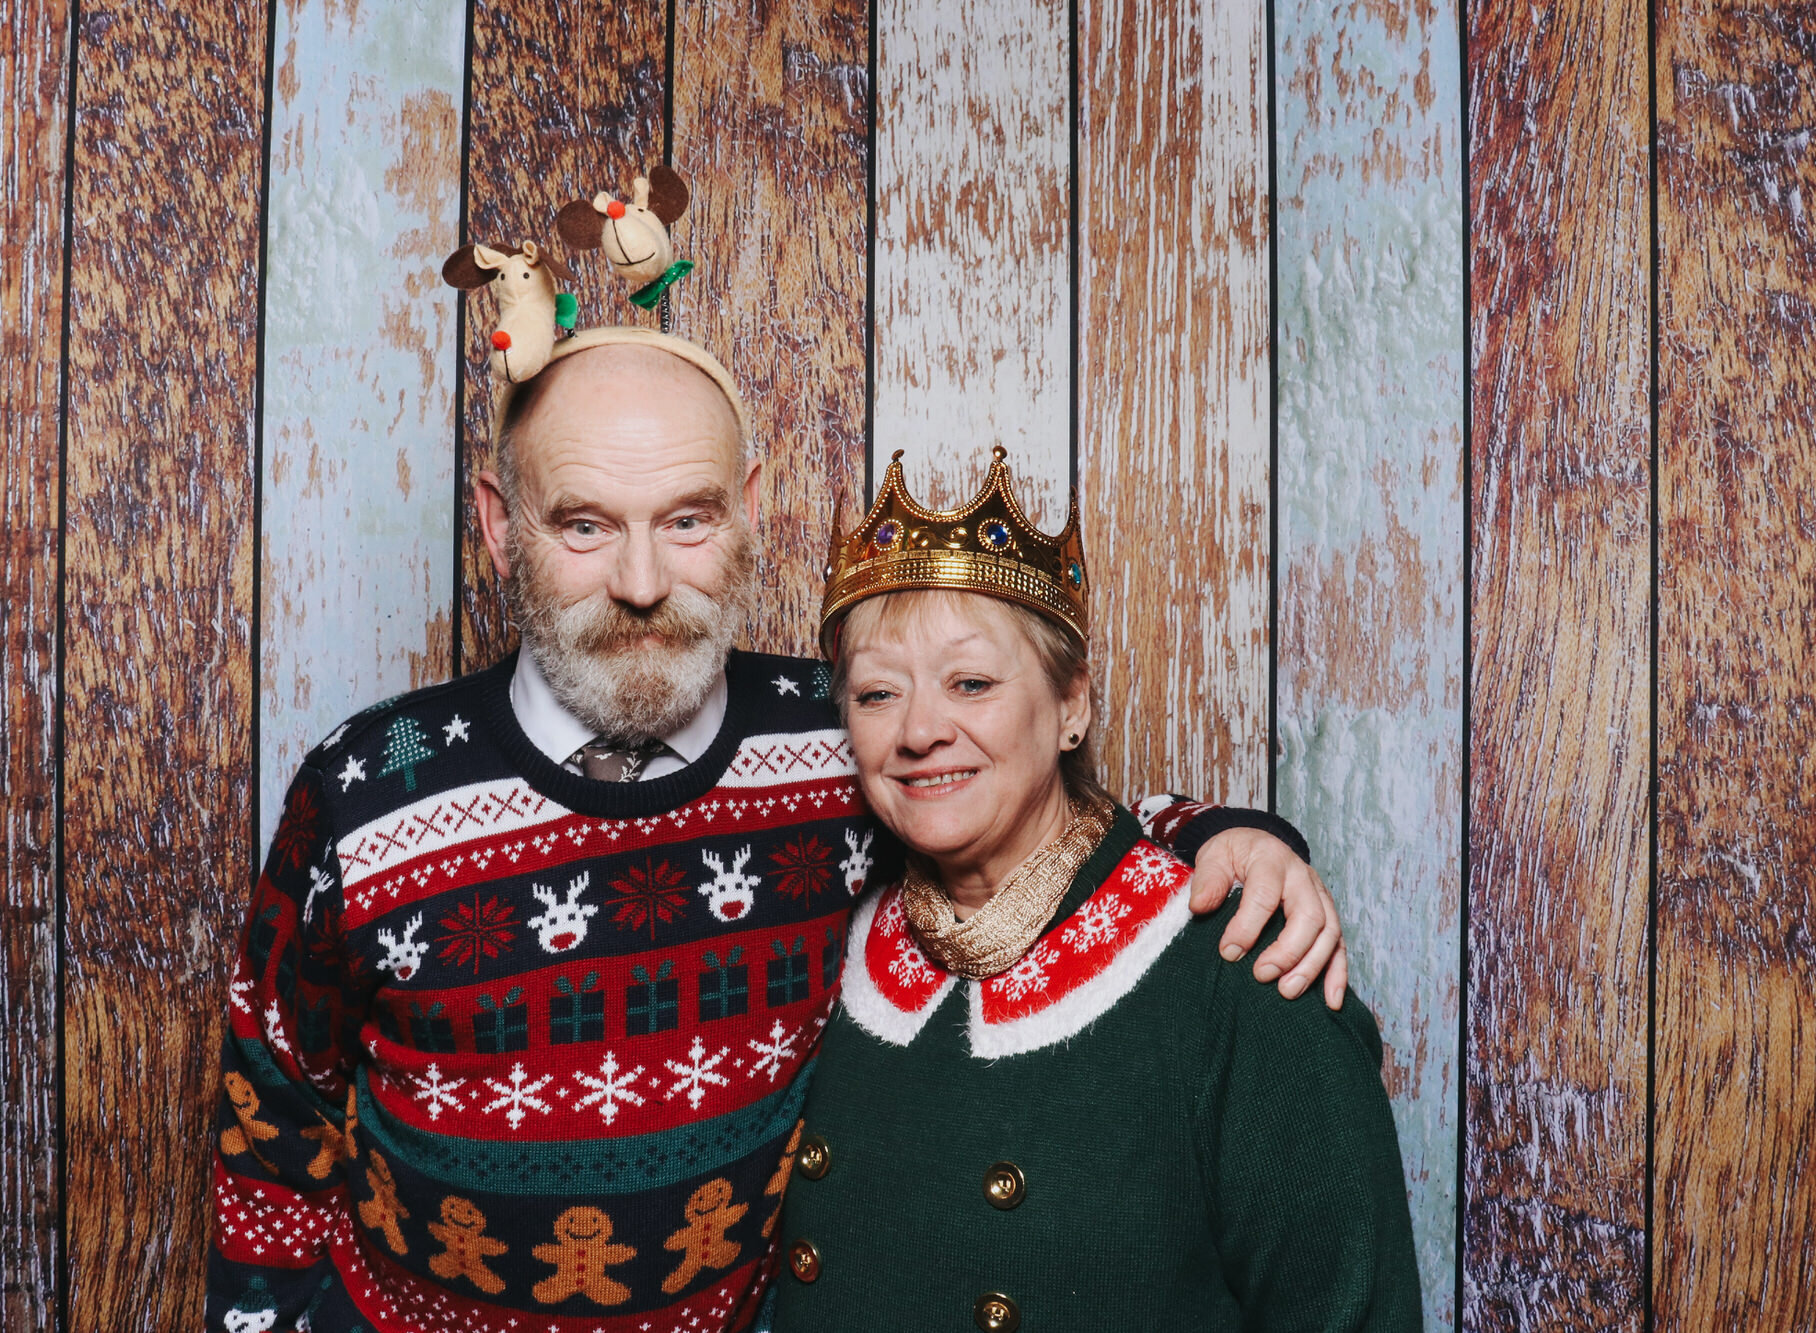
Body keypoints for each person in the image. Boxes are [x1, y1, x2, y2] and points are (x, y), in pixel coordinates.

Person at [203, 328, 1346, 1331]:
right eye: (585, 523)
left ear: (750, 511)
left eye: (687, 518)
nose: (643, 580)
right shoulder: (366, 789)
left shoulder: (838, 736)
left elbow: (1022, 801)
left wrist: (1222, 834)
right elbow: (272, 1121)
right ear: (502, 528)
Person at [767, 448, 1421, 1332]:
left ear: (1071, 702)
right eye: (878, 692)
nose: (920, 729)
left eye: (972, 682)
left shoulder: (1240, 963)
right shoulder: (836, 943)